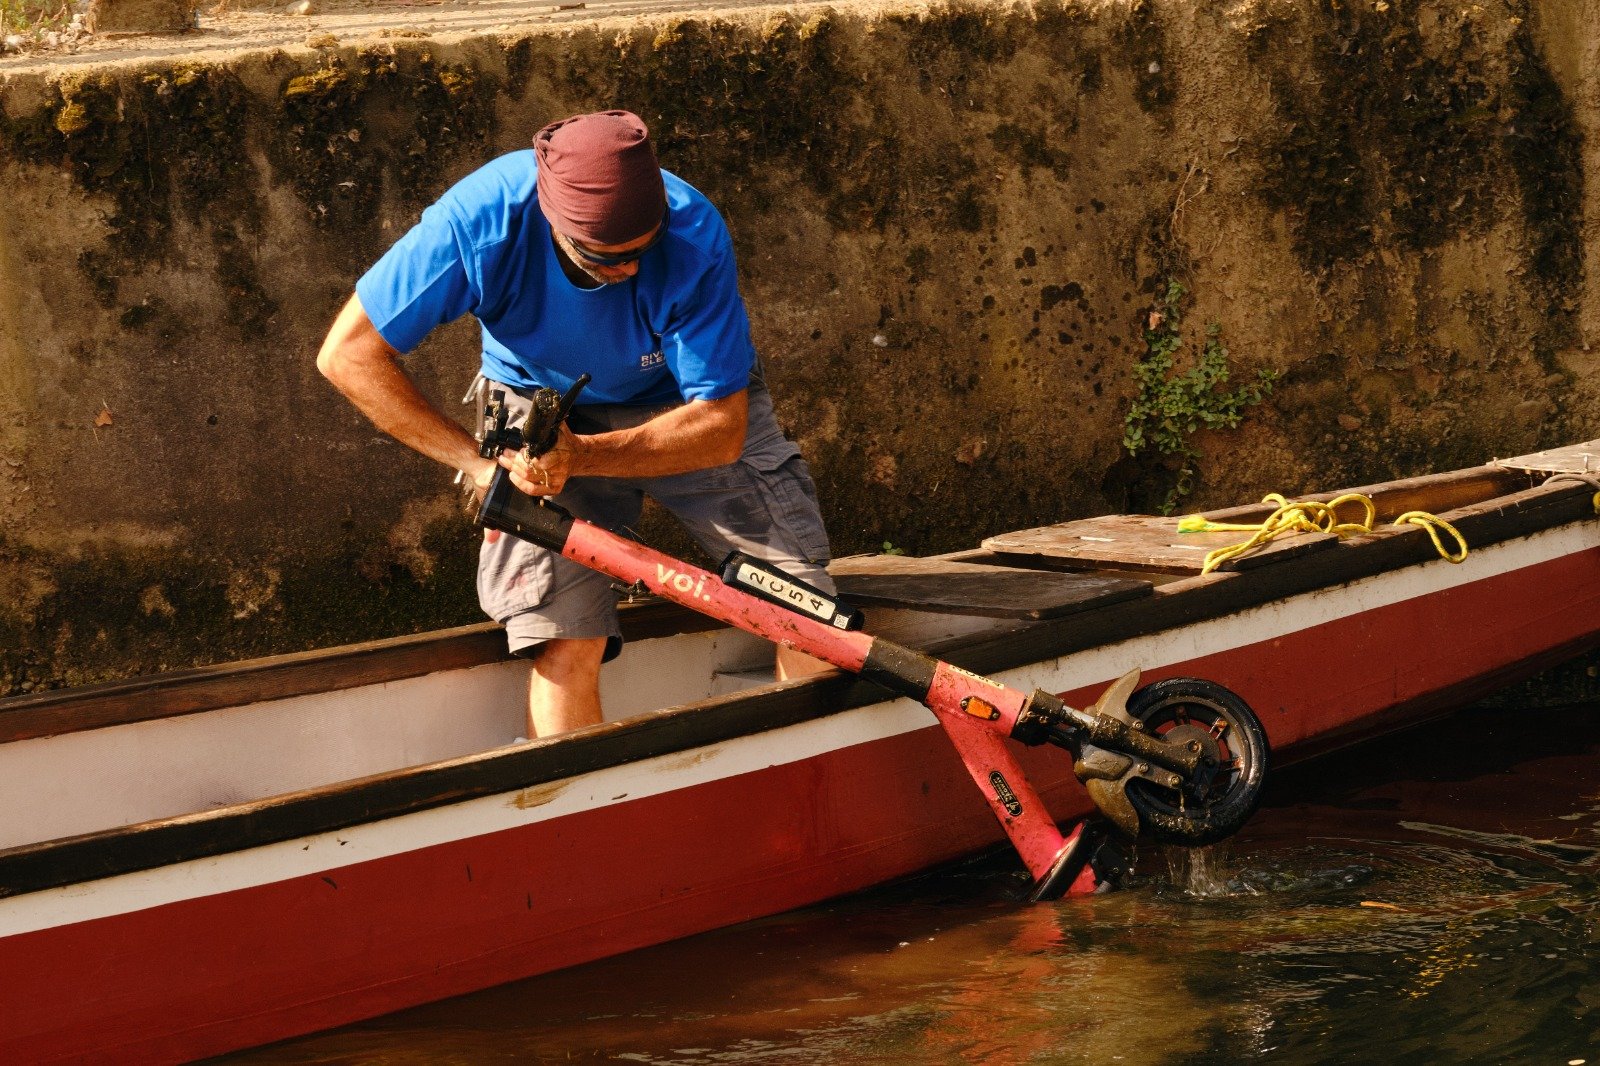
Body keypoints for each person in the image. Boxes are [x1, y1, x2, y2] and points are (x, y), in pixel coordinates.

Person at [317, 110, 835, 740]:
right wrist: (480, 465)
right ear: (551, 224)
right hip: (540, 407)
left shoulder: (694, 231)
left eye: (645, 252)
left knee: (808, 615)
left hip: (688, 407)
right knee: (565, 639)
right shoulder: (479, 223)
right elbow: (348, 354)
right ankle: (586, 807)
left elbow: (722, 428)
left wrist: (582, 456)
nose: (633, 272)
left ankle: (793, 803)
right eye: (603, 260)